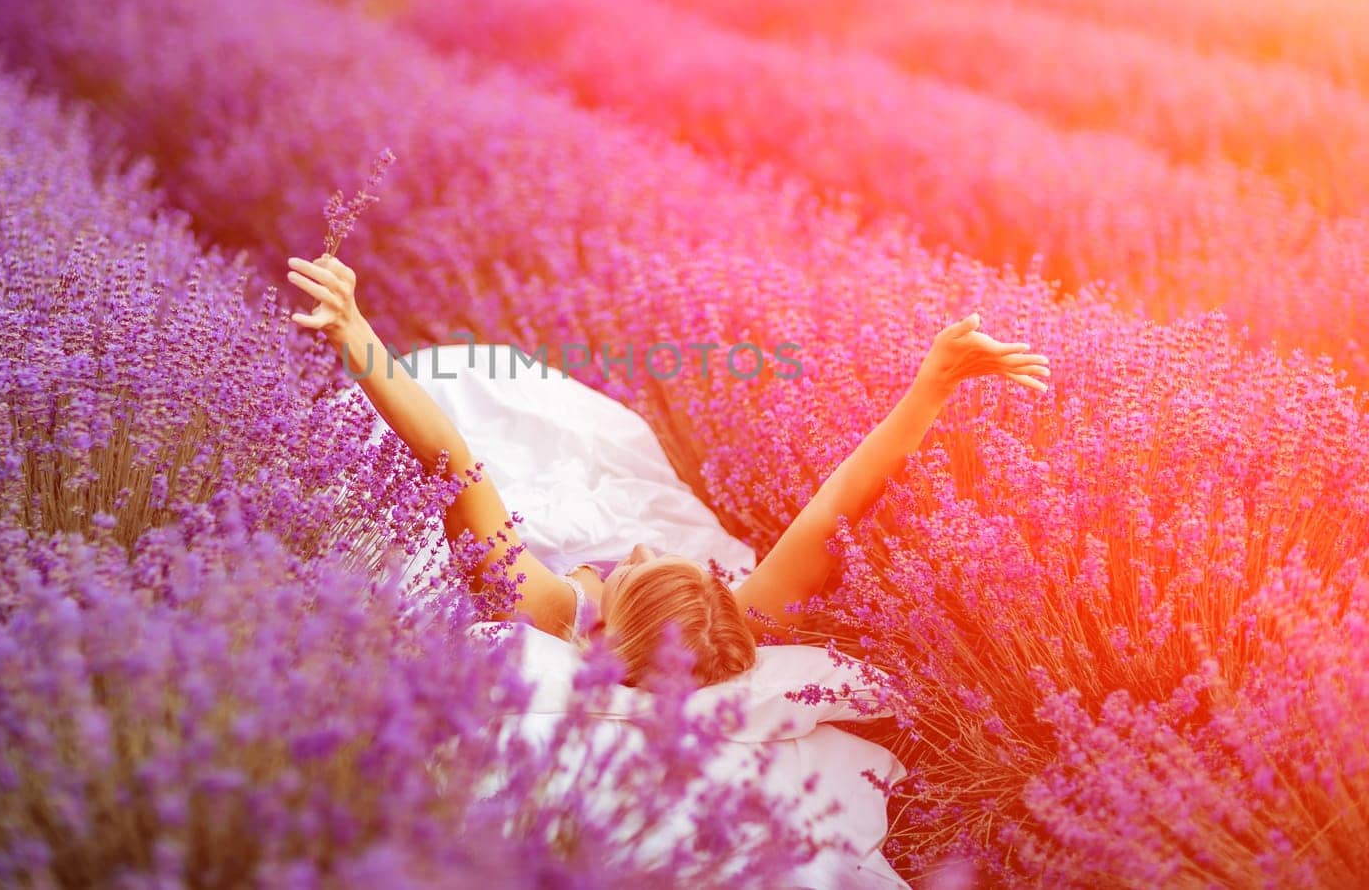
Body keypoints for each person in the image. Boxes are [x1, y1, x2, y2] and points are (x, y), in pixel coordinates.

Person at [287, 254, 1050, 689]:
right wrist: (933, 384)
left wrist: (358, 332)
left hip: (527, 511)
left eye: (633, 573)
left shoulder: (545, 604)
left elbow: (453, 460)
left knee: (478, 390)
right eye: (678, 567)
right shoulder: (730, 620)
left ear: (607, 629)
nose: (644, 548)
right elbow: (835, 506)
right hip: (622, 534)